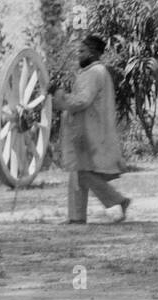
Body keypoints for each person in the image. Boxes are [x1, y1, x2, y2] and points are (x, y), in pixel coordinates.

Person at [49, 34, 130, 224]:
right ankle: (76, 217)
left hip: (90, 130)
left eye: (82, 51)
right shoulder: (93, 72)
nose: (79, 54)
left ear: (93, 52)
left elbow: (82, 101)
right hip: (87, 129)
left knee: (83, 172)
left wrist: (59, 94)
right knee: (78, 173)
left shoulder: (95, 72)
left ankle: (117, 200)